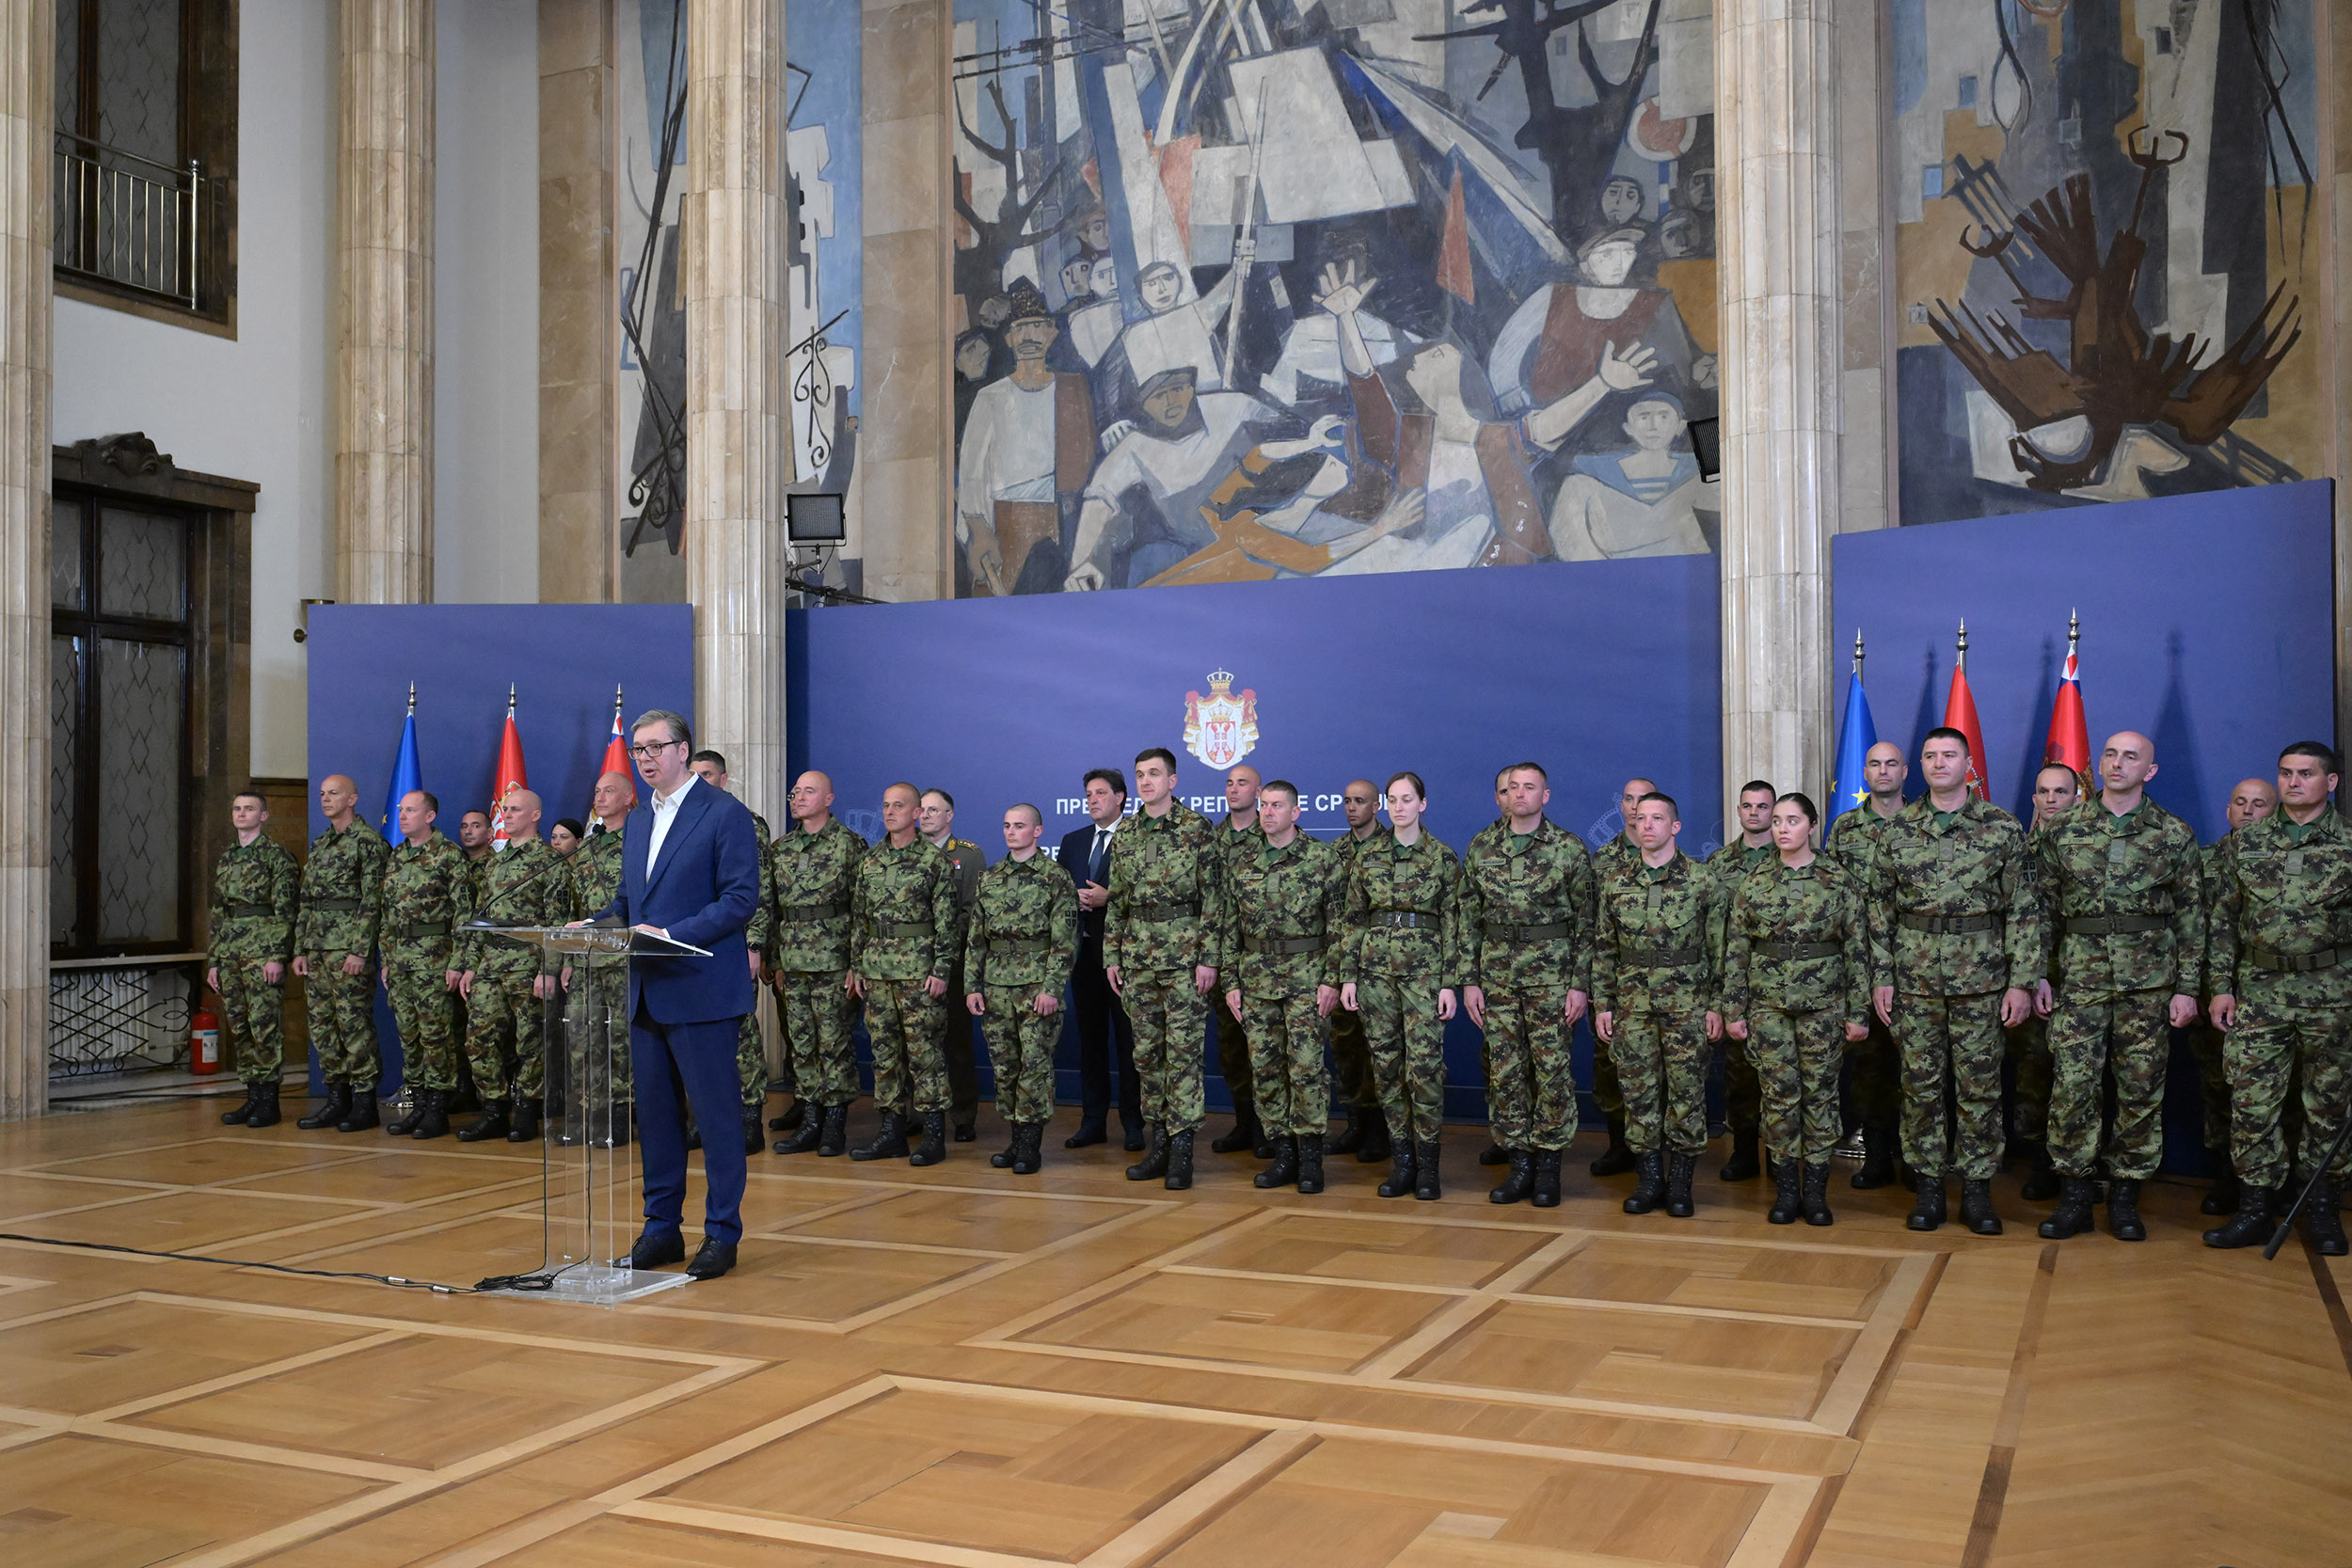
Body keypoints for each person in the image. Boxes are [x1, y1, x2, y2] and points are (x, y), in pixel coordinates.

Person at [588, 709, 762, 1281]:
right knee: (658, 1121)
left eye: (654, 747)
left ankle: (722, 1233)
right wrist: (592, 927)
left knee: (715, 1120)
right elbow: (628, 901)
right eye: (637, 749)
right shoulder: (639, 819)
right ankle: (661, 1229)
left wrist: (672, 934)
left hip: (701, 990)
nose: (644, 758)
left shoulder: (725, 814)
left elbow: (739, 900)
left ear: (683, 751)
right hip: (647, 991)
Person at [1864, 729, 2042, 1236]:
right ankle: (1928, 1189)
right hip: (1914, 981)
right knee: (1920, 1087)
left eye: (1949, 755)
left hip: (1982, 982)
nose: (1939, 763)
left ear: (1968, 764)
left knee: (1979, 1089)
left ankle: (1978, 1192)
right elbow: (1878, 910)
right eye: (1930, 756)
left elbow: (2023, 909)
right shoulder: (1897, 830)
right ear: (1920, 765)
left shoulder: (2002, 828)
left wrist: (2021, 982)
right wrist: (1882, 976)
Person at [2030, 732, 2203, 1243]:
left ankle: (2126, 1197)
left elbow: (2192, 917)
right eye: (2110, 754)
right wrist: (2038, 974)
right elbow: (2041, 909)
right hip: (2079, 981)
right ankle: (2075, 1196)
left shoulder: (2173, 833)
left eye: (2131, 757)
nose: (2117, 763)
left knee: (2140, 1090)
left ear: (2150, 771)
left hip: (2149, 984)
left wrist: (2188, 987)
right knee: (2073, 1087)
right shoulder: (2064, 829)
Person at [2203, 741, 2352, 1256]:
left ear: (2330, 782)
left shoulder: (2348, 843)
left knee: (2328, 1106)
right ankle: (2254, 1209)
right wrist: (2221, 987)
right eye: (2286, 773)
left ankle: (2322, 1208)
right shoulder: (2247, 842)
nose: (2293, 782)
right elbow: (2223, 921)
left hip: (2332, 994)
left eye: (2306, 774)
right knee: (2252, 1102)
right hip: (2259, 992)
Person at [1723, 793, 1869, 1227]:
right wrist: (1734, 1009)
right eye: (1777, 821)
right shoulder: (1755, 881)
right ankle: (1787, 1191)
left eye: (1792, 820)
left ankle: (1817, 1194)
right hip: (1767, 1006)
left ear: (1812, 825)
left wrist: (1858, 1011)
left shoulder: (1837, 879)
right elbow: (1737, 949)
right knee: (1778, 1095)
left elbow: (1857, 949)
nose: (1782, 829)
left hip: (1824, 1006)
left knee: (1820, 1095)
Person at [1460, 762, 1596, 1208]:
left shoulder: (1568, 848)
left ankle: (1548, 1170)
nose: (1520, 794)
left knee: (1552, 1073)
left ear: (1545, 796)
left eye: (1530, 787)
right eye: (1514, 787)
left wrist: (1579, 984)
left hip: (1552, 979)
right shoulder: (1482, 846)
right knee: (1506, 1072)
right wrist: (1469, 981)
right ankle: (1519, 1165)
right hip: (1497, 977)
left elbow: (1587, 923)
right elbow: (1468, 920)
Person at [1592, 791, 1724, 1219]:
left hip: (1687, 1005)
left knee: (1687, 1092)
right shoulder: (1615, 882)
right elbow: (1604, 949)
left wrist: (1717, 1004)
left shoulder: (1703, 881)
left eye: (1657, 818)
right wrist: (1603, 1003)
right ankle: (1649, 1181)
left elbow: (1721, 950)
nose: (1647, 825)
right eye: (1641, 818)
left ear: (1675, 826)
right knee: (1638, 1093)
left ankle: (1681, 1183)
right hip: (1632, 1005)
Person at [1339, 770, 1463, 1200]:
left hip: (1425, 978)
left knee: (1424, 1070)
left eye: (1407, 799)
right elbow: (1354, 919)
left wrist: (1449, 983)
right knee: (1386, 1068)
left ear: (1422, 804)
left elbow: (1454, 923)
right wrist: (1348, 976)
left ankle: (1428, 1166)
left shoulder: (1442, 857)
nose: (1399, 807)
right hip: (1375, 977)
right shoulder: (1368, 855)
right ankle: (1403, 1162)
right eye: (1392, 799)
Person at [1104, 748, 1222, 1189]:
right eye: (1140, 774)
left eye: (1154, 773)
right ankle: (1159, 1147)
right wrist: (1111, 955)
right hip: (1138, 960)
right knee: (1147, 1056)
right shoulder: (1127, 831)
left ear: (1172, 780)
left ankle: (1183, 1152)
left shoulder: (1196, 828)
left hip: (1184, 960)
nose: (1146, 781)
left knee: (1183, 1056)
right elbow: (1118, 899)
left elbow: (1214, 898)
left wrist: (1209, 958)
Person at [1222, 782, 1347, 1194]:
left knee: (1307, 1068)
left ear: (1295, 812)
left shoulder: (1321, 859)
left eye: (1277, 806)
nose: (1268, 812)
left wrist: (1332, 979)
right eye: (1264, 805)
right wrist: (1230, 981)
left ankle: (1310, 1158)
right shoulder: (1243, 860)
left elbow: (1340, 927)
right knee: (1266, 1069)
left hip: (1307, 980)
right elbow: (1228, 928)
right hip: (1256, 980)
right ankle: (1283, 1153)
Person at [1064, 367, 1279, 589]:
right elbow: (1099, 497)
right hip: (1194, 551)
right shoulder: (1134, 446)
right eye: (1158, 396)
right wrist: (1081, 565)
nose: (1170, 402)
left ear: (1190, 388)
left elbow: (1283, 428)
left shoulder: (1232, 406)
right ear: (1142, 404)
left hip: (1256, 533)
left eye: (1176, 389)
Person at [956, 279, 1097, 595]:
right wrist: (978, 530)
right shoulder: (990, 397)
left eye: (1037, 326)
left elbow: (1089, 468)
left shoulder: (1074, 389)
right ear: (1008, 338)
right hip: (1006, 525)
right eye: (1020, 329)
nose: (1029, 336)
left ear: (1052, 332)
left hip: (1066, 523)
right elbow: (971, 474)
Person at [846, 783, 960, 1166]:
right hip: (878, 973)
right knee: (884, 1055)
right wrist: (857, 965)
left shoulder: (933, 861)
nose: (890, 812)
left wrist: (941, 969)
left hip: (919, 974)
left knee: (925, 1055)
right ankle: (891, 1132)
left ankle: (932, 1134)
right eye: (885, 806)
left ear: (917, 813)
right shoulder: (870, 860)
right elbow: (860, 919)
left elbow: (948, 923)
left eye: (899, 805)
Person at [965, 803, 1080, 1176]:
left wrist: (1052, 989)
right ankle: (1014, 1139)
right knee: (1005, 1067)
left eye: (1019, 826)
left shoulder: (1055, 877)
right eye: (1006, 826)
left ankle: (1030, 1145)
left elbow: (1065, 941)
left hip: (1036, 987)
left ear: (1037, 832)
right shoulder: (990, 877)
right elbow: (976, 939)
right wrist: (972, 986)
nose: (1011, 832)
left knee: (1035, 1067)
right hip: (996, 986)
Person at [768, 771, 869, 1158]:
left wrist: (856, 963)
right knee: (802, 1044)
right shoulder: (781, 848)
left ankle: (834, 1125)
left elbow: (862, 909)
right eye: (795, 792)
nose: (798, 798)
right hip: (793, 963)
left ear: (828, 799)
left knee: (834, 1044)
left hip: (833, 962)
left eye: (808, 791)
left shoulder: (849, 844)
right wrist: (776, 959)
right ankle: (810, 1120)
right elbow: (774, 909)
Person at [454, 789, 564, 1143]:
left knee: (530, 1042)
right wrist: (471, 964)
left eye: (515, 809)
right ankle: (494, 1110)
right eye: (506, 809)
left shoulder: (549, 861)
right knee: (479, 1038)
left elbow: (558, 922)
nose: (508, 815)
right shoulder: (495, 861)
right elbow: (481, 917)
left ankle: (527, 1111)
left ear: (535, 815)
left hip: (528, 963)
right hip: (490, 963)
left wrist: (548, 969)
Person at [2192, 777, 2278, 1215]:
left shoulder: (2284, 861)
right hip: (2213, 992)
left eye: (2259, 804)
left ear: (2274, 812)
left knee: (2273, 1091)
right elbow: (2190, 927)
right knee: (2217, 1086)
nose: (2248, 811)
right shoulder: (2203, 861)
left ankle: (2274, 1183)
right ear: (2228, 810)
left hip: (2270, 992)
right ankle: (2226, 1175)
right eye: (2240, 803)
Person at [1826, 739, 1908, 1188]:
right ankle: (1876, 1155)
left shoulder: (1919, 825)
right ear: (1865, 773)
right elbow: (1834, 894)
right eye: (1874, 764)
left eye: (1891, 764)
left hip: (1917, 960)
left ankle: (1916, 1159)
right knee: (1869, 1064)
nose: (1883, 771)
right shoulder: (1845, 829)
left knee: (1920, 1065)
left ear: (1905, 771)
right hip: (1859, 963)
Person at [688, 751, 775, 1158]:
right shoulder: (684, 821)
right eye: (694, 775)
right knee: (699, 1037)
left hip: (733, 944)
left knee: (740, 1032)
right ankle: (708, 1121)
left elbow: (758, 891)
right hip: (691, 943)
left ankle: (749, 1117)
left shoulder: (743, 821)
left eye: (707, 774)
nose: (700, 781)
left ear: (724, 780)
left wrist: (754, 945)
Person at [294, 775, 389, 1132]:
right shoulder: (321, 843)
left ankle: (365, 1102)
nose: (325, 799)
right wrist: (300, 948)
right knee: (322, 1024)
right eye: (322, 793)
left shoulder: (368, 842)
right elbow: (307, 899)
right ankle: (337, 1099)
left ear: (352, 799)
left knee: (353, 1023)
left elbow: (373, 901)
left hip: (348, 949)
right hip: (317, 948)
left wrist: (360, 950)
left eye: (333, 793)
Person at [377, 789, 470, 1140]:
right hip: (401, 961)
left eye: (411, 810)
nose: (402, 816)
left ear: (430, 816)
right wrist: (387, 958)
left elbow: (463, 913)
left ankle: (437, 1110)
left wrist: (457, 962)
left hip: (435, 958)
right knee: (409, 1035)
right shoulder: (397, 856)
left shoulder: (448, 855)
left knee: (436, 1036)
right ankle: (417, 1105)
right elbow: (387, 914)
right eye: (401, 810)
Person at [2010, 763, 2084, 1200]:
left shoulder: (2090, 845)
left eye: (2061, 792)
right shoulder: (2017, 848)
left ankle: (2081, 1165)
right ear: (2034, 798)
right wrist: (2031, 975)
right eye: (2044, 792)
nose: (2052, 799)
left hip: (2084, 975)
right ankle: (2041, 1163)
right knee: (2034, 1071)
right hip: (2032, 974)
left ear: (2077, 797)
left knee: (2083, 1076)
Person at [1579, 775, 1659, 1176]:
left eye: (1643, 800)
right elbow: (1592, 926)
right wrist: (1595, 985)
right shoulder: (1602, 860)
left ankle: (1654, 1150)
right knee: (1609, 1063)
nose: (1635, 807)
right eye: (1629, 799)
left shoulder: (1671, 857)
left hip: (1663, 985)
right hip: (1614, 981)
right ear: (1622, 806)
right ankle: (1618, 1144)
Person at [1059, 768, 1142, 1150]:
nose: (1092, 800)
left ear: (1120, 797)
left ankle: (1134, 1123)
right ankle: (1093, 1121)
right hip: (1084, 955)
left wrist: (1111, 897)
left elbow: (1149, 893)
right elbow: (1059, 893)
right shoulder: (1073, 841)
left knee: (1129, 1042)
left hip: (1125, 958)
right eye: (1088, 794)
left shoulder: (1138, 836)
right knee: (1090, 1042)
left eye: (1100, 793)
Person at [208, 790, 299, 1130]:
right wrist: (214, 960)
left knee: (265, 1026)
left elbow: (286, 912)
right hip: (230, 952)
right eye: (237, 808)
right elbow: (218, 912)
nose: (241, 813)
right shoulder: (227, 857)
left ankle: (269, 1100)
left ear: (264, 816)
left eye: (249, 809)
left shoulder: (277, 857)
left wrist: (277, 956)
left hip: (261, 953)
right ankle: (252, 1095)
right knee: (239, 1025)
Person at [559, 771, 639, 1147]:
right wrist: (568, 957)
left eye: (609, 791)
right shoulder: (589, 845)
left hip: (622, 954)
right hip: (586, 956)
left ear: (628, 797)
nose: (600, 797)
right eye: (597, 791)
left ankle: (622, 1112)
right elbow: (575, 904)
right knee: (582, 1035)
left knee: (622, 1038)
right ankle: (592, 1112)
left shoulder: (638, 839)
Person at [1546, 393, 1719, 560]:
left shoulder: (1694, 471)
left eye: (1663, 417)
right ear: (1628, 428)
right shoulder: (1588, 475)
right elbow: (1567, 535)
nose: (1653, 426)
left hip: (1686, 567)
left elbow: (1721, 511)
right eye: (1643, 417)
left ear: (1680, 427)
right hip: (1614, 570)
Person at [1704, 779, 1775, 1181]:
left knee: (1783, 1075)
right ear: (1738, 811)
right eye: (1747, 806)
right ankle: (1744, 1152)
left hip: (1781, 981)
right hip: (1735, 982)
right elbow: (1712, 932)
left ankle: (1783, 1158)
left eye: (1762, 806)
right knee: (1739, 1073)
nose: (1754, 813)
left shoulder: (1792, 858)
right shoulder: (1718, 864)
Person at [1326, 779, 1391, 1165]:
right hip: (1341, 962)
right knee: (1346, 1046)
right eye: (1347, 801)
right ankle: (1355, 1123)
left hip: (1382, 965)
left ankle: (1380, 1130)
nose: (1352, 808)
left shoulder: (1391, 848)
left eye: (1360, 801)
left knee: (1379, 1049)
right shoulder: (1333, 853)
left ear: (1377, 806)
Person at [920, 787, 990, 1143]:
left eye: (934, 810)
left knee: (957, 1045)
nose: (926, 815)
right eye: (922, 809)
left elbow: (972, 912)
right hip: (910, 964)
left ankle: (963, 1117)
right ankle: (916, 1115)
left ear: (950, 816)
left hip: (955, 963)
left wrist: (941, 948)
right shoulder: (907, 853)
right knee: (915, 1044)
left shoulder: (967, 855)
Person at [1207, 766, 1269, 1158]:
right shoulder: (1211, 839)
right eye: (1229, 783)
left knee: (1266, 1047)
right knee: (1231, 1046)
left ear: (1259, 791)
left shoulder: (1272, 834)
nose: (1233, 789)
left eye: (1242, 783)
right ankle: (1244, 1123)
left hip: (1264, 959)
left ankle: (1269, 1127)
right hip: (1221, 957)